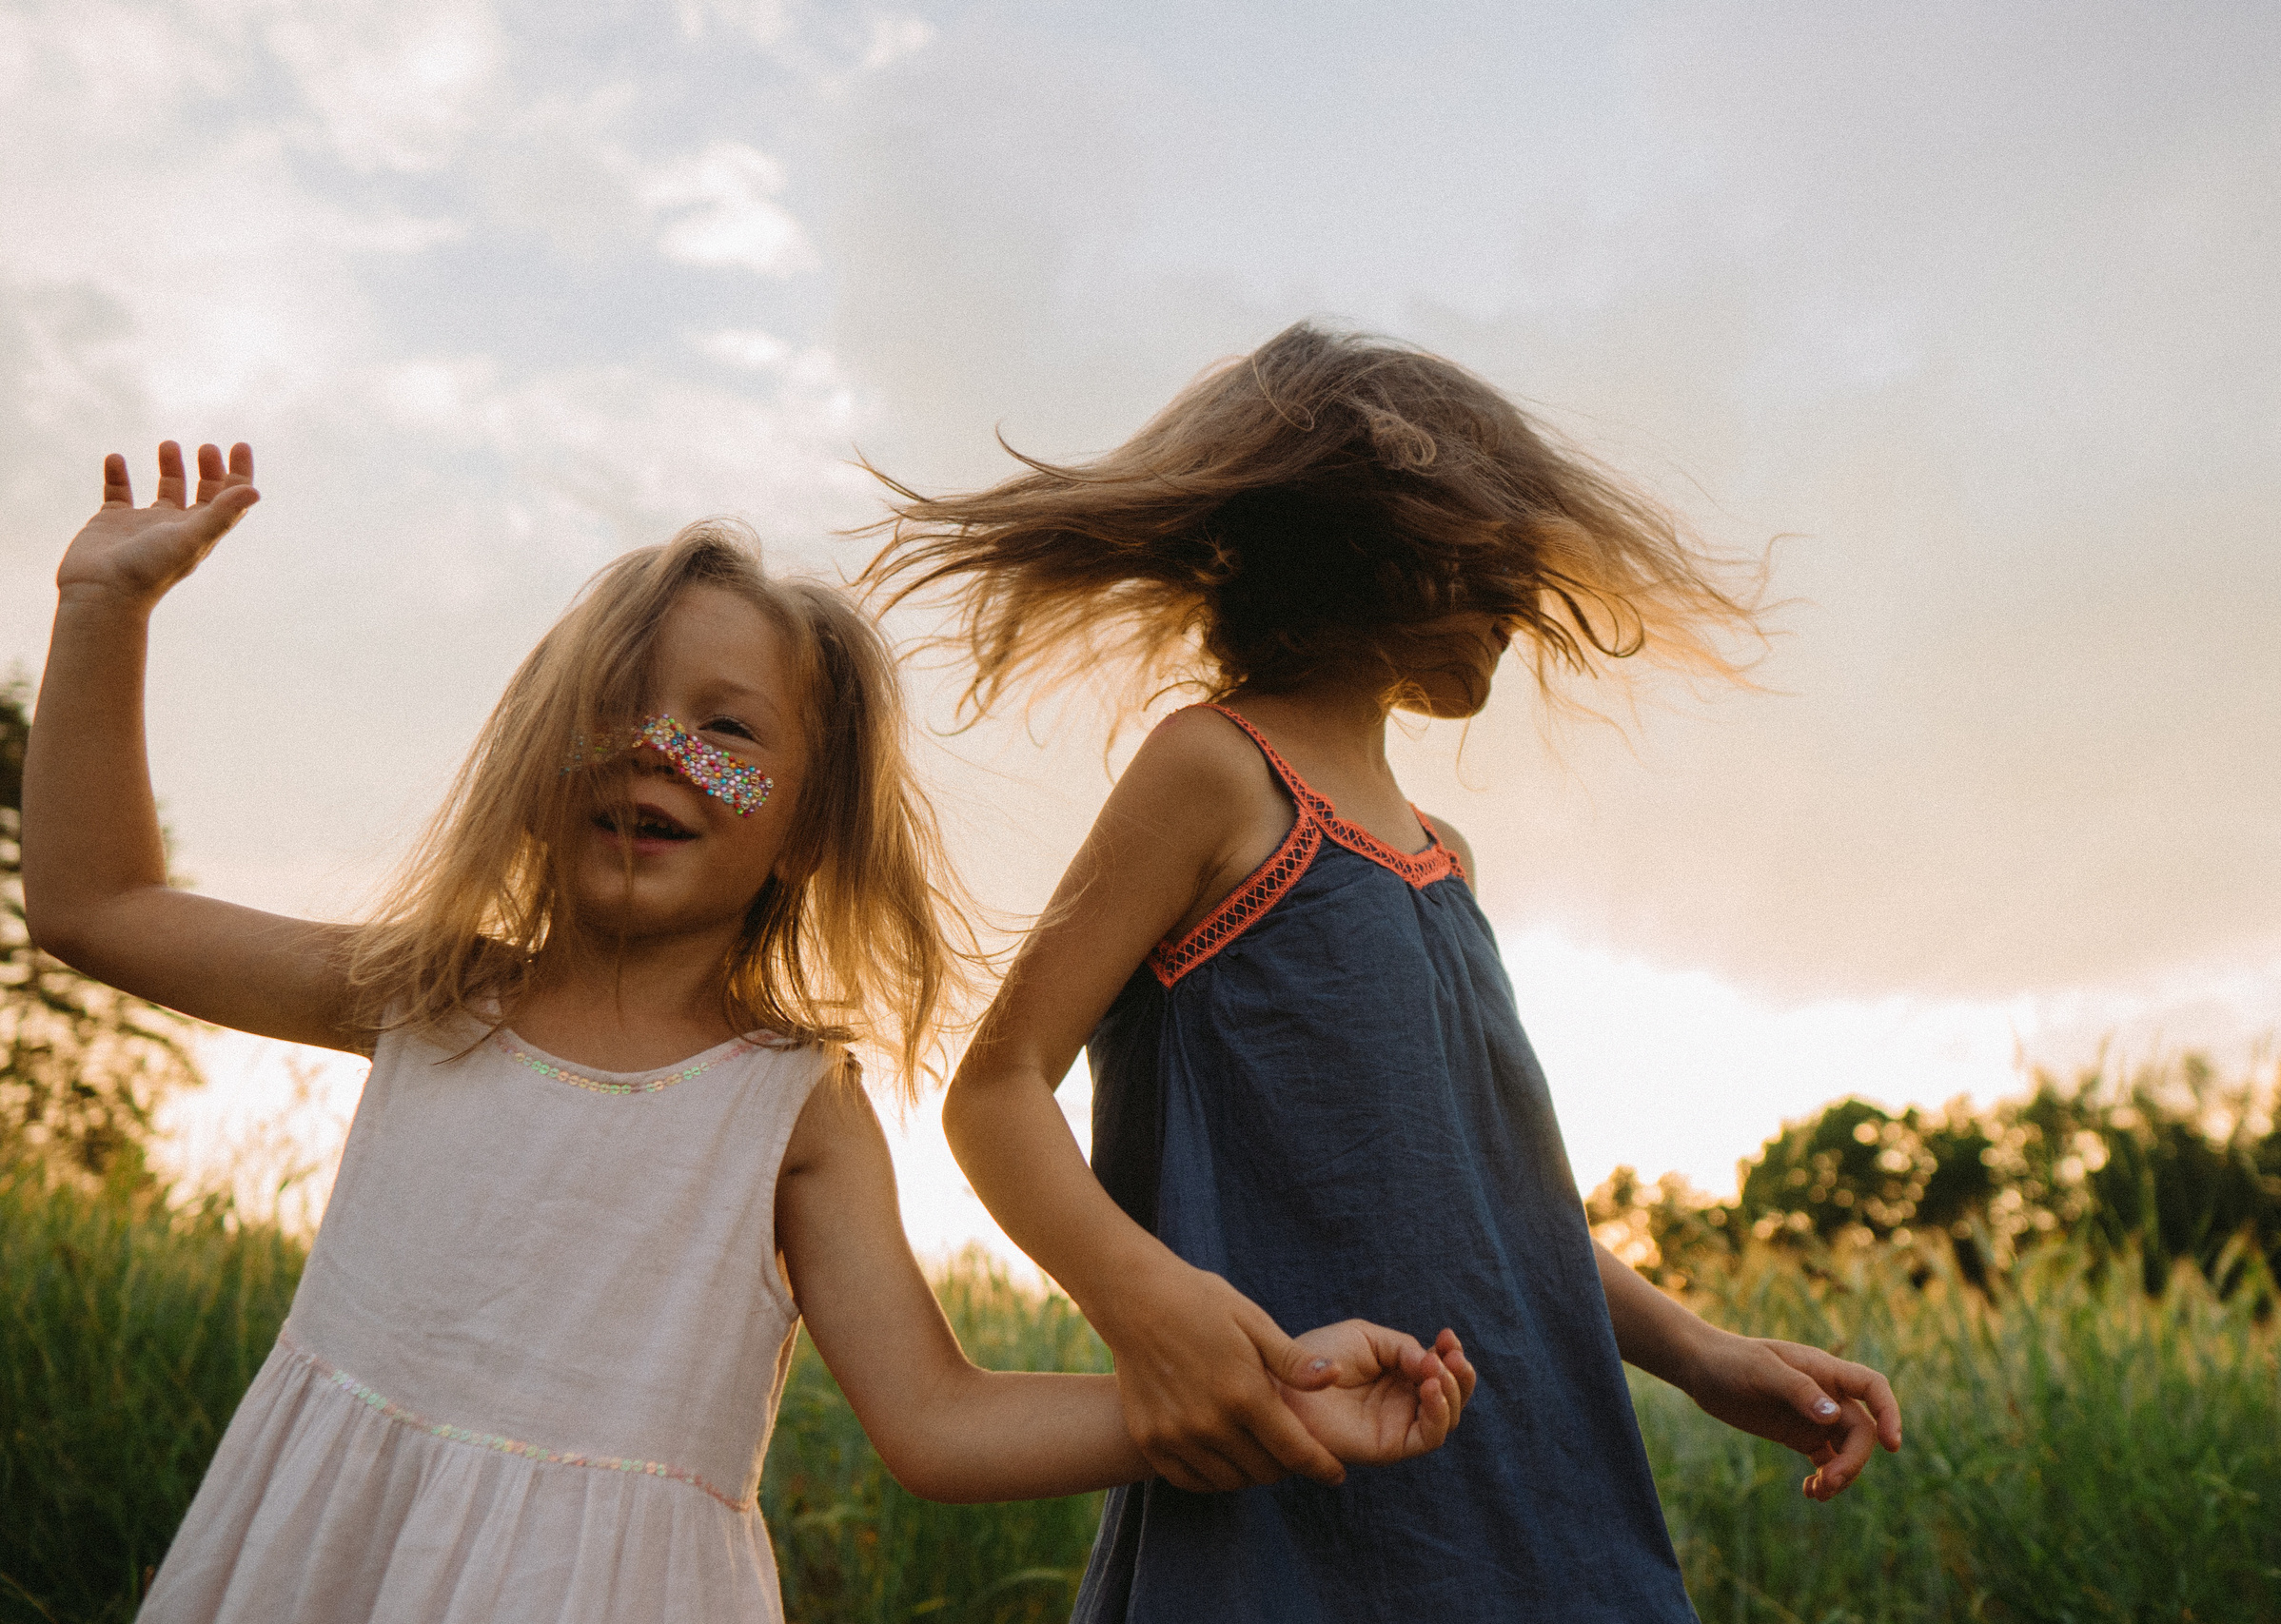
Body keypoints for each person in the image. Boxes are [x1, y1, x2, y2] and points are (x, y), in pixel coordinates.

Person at [20, 440, 1478, 1624]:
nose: (658, 751)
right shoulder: (429, 990)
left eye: (726, 732)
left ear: (801, 829)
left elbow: (937, 1421)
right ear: (540, 758)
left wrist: (1261, 1394)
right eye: (617, 709)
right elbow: (95, 905)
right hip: (328, 1561)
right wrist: (105, 612)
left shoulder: (791, 1105)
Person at [858, 323, 1905, 1621]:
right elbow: (998, 1087)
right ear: (1384, 549)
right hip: (1297, 1493)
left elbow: (1507, 1204)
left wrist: (1702, 1354)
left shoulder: (1445, 861)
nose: (1526, 597)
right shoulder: (1218, 770)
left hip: (1536, 1497)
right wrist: (1155, 1309)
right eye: (1494, 554)